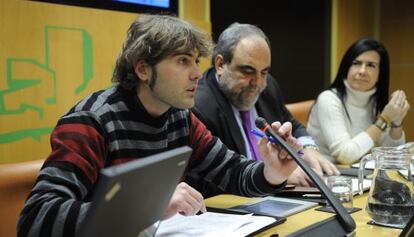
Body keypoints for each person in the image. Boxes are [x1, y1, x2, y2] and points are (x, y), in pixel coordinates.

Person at [17, 14, 301, 237]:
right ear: (143, 69)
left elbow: (231, 171)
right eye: (182, 61)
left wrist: (271, 172)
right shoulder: (92, 122)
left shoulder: (180, 117)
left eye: (195, 61)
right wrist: (147, 207)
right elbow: (36, 220)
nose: (195, 74)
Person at [193, 22, 339, 187]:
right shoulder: (199, 106)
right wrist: (274, 176)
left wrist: (308, 147)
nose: (258, 83)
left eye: (264, 72)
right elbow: (215, 178)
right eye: (247, 71)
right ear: (220, 65)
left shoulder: (268, 86)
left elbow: (290, 123)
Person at [307, 38, 409, 165]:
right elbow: (345, 155)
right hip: (329, 175)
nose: (362, 71)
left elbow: (392, 156)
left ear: (380, 74)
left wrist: (396, 121)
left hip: (361, 175)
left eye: (371, 65)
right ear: (346, 67)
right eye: (356, 63)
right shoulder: (328, 99)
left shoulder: (377, 101)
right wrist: (384, 119)